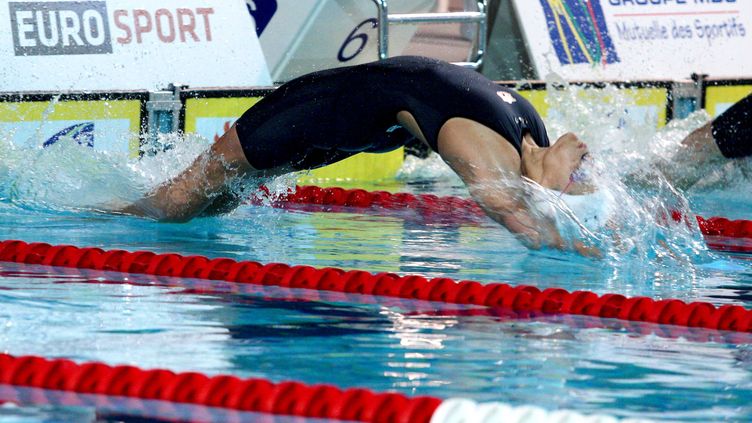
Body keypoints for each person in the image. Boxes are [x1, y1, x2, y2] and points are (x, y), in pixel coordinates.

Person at [120, 56, 750, 254]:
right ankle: (99, 217)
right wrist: (573, 248)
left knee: (198, 208)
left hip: (341, 122)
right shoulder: (491, 147)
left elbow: (521, 196)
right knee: (173, 207)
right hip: (311, 111)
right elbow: (505, 205)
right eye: (580, 179)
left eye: (576, 181)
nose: (580, 169)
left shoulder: (524, 134)